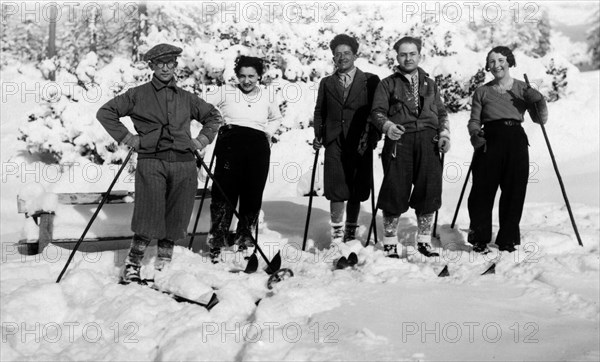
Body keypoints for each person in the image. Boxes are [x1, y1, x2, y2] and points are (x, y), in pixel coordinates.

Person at [97, 43, 223, 284]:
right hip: (152, 162)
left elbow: (213, 116)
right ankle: (132, 264)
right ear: (152, 66)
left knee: (177, 214)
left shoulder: (187, 98)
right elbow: (106, 112)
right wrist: (129, 138)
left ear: (175, 65)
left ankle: (163, 264)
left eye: (170, 63)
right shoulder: (137, 95)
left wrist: (202, 140)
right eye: (160, 64)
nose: (165, 68)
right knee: (149, 212)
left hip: (184, 163)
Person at [369, 36, 450, 258]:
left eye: (412, 53)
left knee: (428, 190)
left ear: (419, 55)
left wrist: (444, 134)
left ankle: (424, 241)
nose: (408, 58)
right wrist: (387, 126)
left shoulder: (430, 84)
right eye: (403, 54)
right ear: (397, 57)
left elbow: (441, 112)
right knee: (395, 190)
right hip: (400, 140)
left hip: (429, 141)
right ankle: (390, 243)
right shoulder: (387, 84)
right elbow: (376, 112)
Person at [467, 46, 548, 254]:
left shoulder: (523, 88)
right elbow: (474, 121)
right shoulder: (482, 91)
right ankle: (479, 238)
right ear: (488, 66)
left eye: (501, 60)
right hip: (489, 141)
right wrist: (475, 135)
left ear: (509, 62)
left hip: (516, 141)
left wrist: (538, 100)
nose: (497, 65)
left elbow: (540, 120)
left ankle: (508, 239)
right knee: (481, 192)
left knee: (514, 191)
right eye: (492, 62)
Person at [207, 55, 283, 262]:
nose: (247, 81)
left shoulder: (267, 95)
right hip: (231, 144)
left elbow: (276, 117)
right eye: (242, 76)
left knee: (252, 193)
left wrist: (268, 133)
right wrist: (213, 126)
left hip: (257, 146)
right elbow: (202, 108)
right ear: (237, 76)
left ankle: (245, 241)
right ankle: (217, 242)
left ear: (259, 76)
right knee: (224, 192)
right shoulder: (226, 92)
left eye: (251, 76)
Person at [312, 34, 381, 244]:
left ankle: (351, 230)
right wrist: (319, 135)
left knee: (357, 187)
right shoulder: (326, 82)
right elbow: (319, 112)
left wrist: (374, 137)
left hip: (360, 140)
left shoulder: (370, 80)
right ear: (333, 57)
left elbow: (378, 111)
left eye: (347, 53)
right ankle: (337, 233)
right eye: (338, 54)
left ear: (355, 55)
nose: (342, 57)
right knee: (336, 188)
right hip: (335, 140)